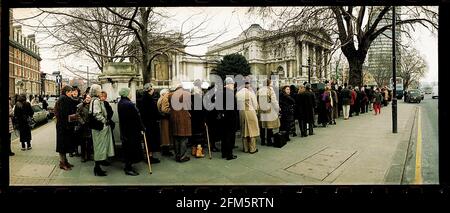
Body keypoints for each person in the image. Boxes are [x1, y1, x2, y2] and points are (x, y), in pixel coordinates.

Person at [118, 88, 145, 176]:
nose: (131, 94)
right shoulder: (129, 104)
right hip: (131, 130)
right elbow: (137, 118)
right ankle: (128, 168)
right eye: (130, 93)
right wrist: (142, 128)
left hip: (125, 130)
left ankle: (128, 166)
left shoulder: (121, 102)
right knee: (130, 149)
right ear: (126, 94)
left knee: (127, 148)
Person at [89, 84, 115, 176]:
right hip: (99, 127)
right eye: (99, 90)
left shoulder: (94, 100)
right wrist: (105, 121)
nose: (101, 91)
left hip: (98, 127)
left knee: (100, 146)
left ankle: (98, 166)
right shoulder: (96, 101)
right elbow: (97, 114)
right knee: (99, 147)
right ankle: (97, 168)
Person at [138, 83, 161, 163]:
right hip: (150, 123)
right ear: (149, 90)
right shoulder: (148, 98)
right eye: (152, 89)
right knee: (150, 140)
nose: (153, 90)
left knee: (149, 140)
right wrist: (158, 116)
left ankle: (149, 156)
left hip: (148, 122)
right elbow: (152, 111)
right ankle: (149, 157)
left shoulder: (145, 98)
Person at [169, 83, 192, 162]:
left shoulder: (170, 95)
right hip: (183, 119)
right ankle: (182, 157)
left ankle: (177, 155)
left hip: (174, 119)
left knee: (176, 137)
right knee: (183, 138)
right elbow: (189, 106)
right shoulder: (186, 94)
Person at [55, 86, 77, 171]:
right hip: (63, 126)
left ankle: (65, 162)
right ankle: (62, 163)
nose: (71, 93)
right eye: (71, 92)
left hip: (62, 126)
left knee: (64, 145)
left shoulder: (63, 98)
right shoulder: (64, 99)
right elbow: (65, 113)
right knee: (62, 145)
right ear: (67, 92)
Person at [236, 79, 260, 154]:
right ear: (247, 84)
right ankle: (252, 149)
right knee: (252, 130)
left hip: (241, 113)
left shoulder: (237, 93)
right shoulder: (250, 93)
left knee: (244, 130)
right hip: (250, 112)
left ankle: (245, 148)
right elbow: (255, 105)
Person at [219, 77, 239, 160]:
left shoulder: (221, 93)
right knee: (229, 137)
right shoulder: (230, 93)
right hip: (230, 119)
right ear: (229, 84)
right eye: (232, 84)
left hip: (224, 119)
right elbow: (232, 108)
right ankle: (229, 154)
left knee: (224, 136)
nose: (233, 85)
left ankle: (224, 153)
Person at [257, 79, 280, 146]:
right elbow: (274, 101)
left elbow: (257, 100)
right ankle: (269, 141)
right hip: (269, 110)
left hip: (261, 110)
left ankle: (263, 141)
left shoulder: (259, 91)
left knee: (262, 126)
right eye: (271, 83)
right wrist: (277, 108)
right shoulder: (270, 90)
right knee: (269, 126)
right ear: (268, 83)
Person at [157, 88, 174, 156]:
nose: (168, 94)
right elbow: (164, 109)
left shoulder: (160, 98)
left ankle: (165, 150)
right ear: (164, 93)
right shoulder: (165, 98)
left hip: (162, 118)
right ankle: (166, 151)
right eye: (167, 93)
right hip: (165, 119)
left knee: (164, 135)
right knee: (166, 135)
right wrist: (172, 111)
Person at [76, 94, 93, 162]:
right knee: (83, 142)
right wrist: (82, 122)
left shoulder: (92, 106)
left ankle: (89, 155)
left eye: (89, 97)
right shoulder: (80, 105)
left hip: (90, 126)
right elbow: (77, 115)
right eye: (87, 97)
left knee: (89, 142)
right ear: (85, 98)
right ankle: (83, 156)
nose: (88, 99)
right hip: (83, 126)